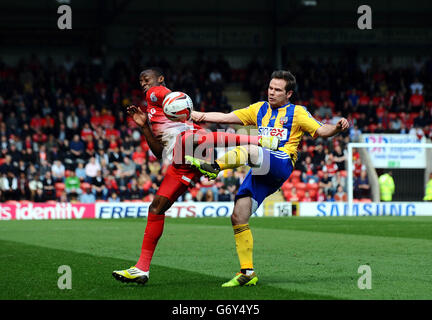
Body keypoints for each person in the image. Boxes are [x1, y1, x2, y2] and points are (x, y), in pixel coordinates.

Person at [112, 67, 280, 285]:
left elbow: (166, 94)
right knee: (156, 208)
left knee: (194, 140)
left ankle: (258, 141)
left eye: (147, 79)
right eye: (140, 80)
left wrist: (175, 100)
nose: (143, 83)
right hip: (179, 161)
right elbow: (157, 152)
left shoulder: (155, 94)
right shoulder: (152, 114)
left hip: (191, 143)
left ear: (160, 79)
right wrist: (144, 127)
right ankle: (141, 269)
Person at [188, 70, 349, 287]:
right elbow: (227, 118)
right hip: (261, 168)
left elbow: (322, 130)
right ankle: (247, 272)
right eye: (270, 88)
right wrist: (199, 116)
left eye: (277, 90)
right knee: (238, 216)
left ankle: (214, 167)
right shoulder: (258, 109)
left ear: (289, 93)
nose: (272, 93)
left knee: (252, 148)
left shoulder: (298, 113)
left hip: (282, 163)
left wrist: (337, 128)